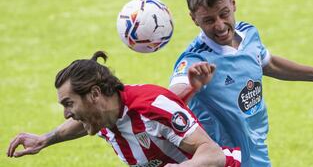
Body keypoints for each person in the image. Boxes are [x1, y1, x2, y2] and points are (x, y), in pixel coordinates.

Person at [168, 0, 313, 167]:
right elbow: (165, 104)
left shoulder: (248, 34)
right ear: (194, 19)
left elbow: (270, 64)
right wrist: (192, 87)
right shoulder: (195, 60)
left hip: (257, 155)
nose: (220, 25)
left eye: (224, 13)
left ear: (233, 3)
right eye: (209, 20)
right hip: (222, 160)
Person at [7, 51, 241, 167]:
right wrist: (44, 140)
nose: (67, 113)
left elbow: (213, 154)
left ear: (95, 94)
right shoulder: (102, 116)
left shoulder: (152, 108)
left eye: (69, 104)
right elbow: (81, 122)